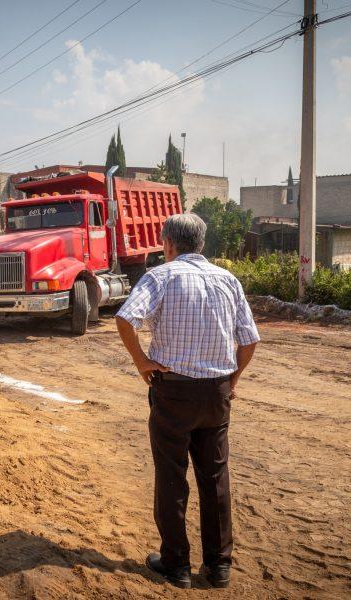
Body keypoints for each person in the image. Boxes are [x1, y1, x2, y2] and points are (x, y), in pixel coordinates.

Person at [115, 213, 260, 590]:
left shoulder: (161, 276)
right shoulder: (228, 279)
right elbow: (250, 339)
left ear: (168, 244)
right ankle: (219, 566)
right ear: (201, 243)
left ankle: (176, 565)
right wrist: (233, 379)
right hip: (216, 393)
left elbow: (126, 318)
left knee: (171, 477)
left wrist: (142, 362)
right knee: (215, 479)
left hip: (173, 392)